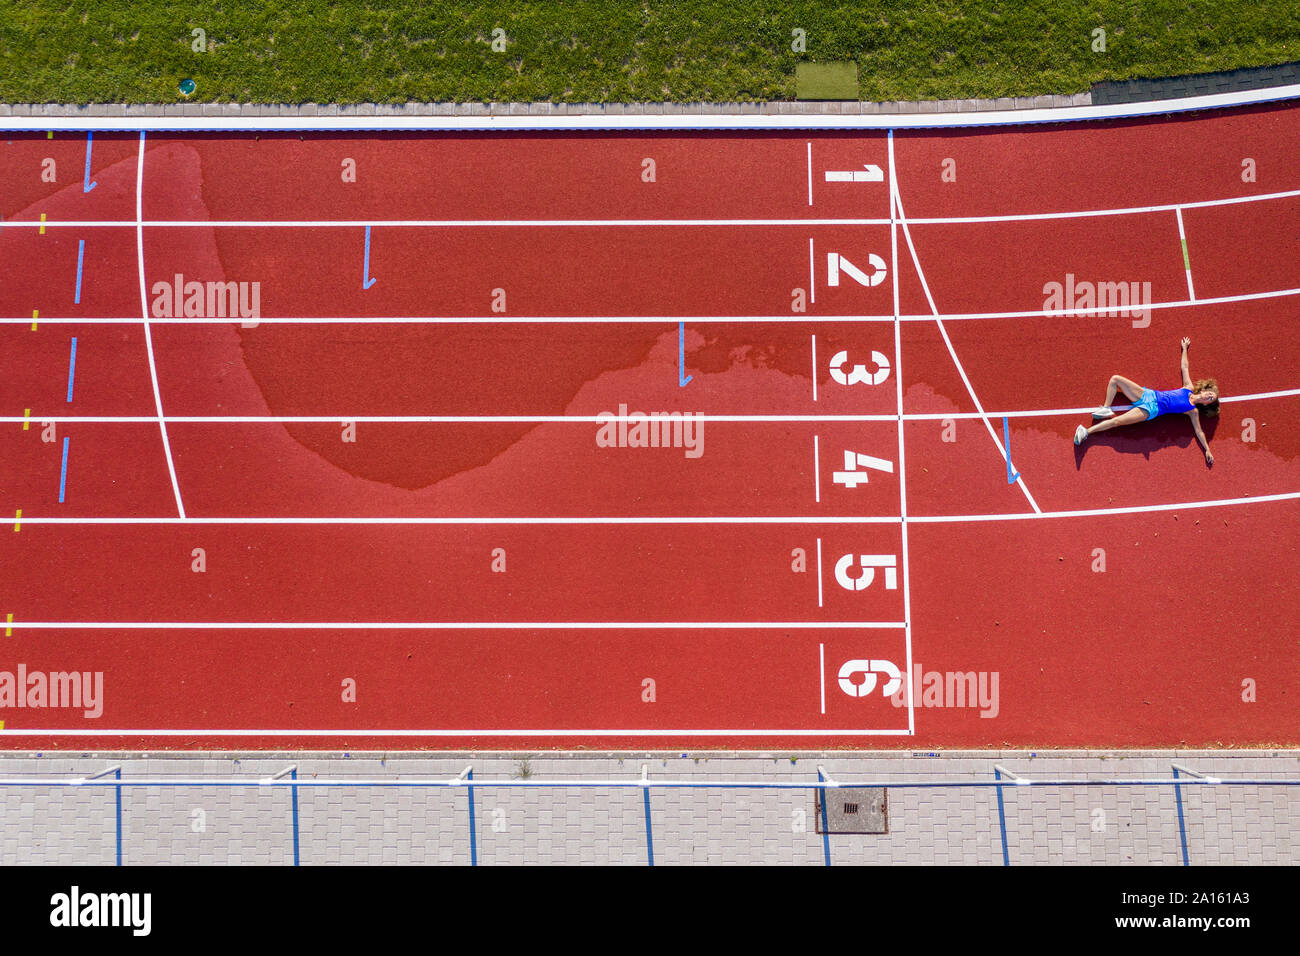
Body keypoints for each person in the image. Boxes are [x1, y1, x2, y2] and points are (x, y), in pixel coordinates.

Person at [1073, 337, 1218, 465]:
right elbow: (1185, 367)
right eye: (1210, 394)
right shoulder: (1189, 387)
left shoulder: (1192, 411)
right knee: (1115, 379)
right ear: (1204, 390)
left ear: (1206, 404)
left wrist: (1207, 449)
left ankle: (1086, 432)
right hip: (1149, 395)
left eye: (1210, 399)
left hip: (1151, 410)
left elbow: (1199, 431)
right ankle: (1106, 408)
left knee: (1116, 422)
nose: (1209, 396)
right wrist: (1185, 349)